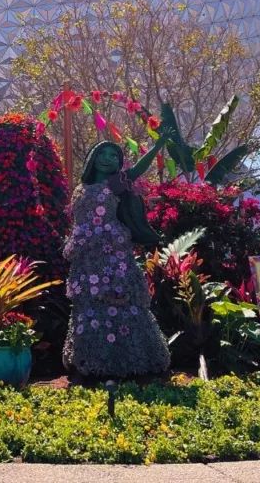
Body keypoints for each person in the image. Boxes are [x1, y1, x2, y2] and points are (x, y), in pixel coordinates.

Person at [62, 136, 172, 380]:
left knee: (119, 298)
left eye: (114, 156)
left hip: (112, 250)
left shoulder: (115, 184)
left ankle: (131, 359)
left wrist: (155, 147)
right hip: (85, 252)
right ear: (93, 158)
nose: (107, 159)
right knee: (90, 299)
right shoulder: (80, 189)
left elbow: (137, 170)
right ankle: (92, 358)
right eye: (103, 154)